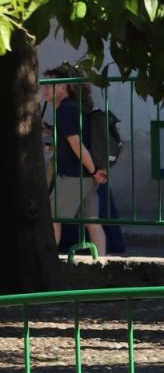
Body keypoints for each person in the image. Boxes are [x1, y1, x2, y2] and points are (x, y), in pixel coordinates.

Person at [41, 67, 109, 260]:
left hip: (74, 176)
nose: (44, 89)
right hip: (86, 176)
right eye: (43, 85)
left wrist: (94, 170)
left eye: (50, 84)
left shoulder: (65, 110)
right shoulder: (77, 107)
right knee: (92, 221)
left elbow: (76, 145)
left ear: (65, 86)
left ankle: (48, 261)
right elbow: (71, 143)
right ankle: (102, 262)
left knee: (52, 215)